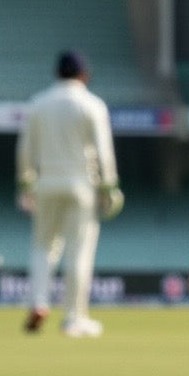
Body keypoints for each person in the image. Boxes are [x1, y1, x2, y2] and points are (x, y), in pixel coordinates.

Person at [16, 50, 123, 336]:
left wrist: (25, 183)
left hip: (46, 183)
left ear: (56, 73)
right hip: (81, 185)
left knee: (42, 246)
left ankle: (38, 302)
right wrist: (109, 186)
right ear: (84, 74)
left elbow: (25, 149)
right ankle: (74, 318)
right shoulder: (92, 105)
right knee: (79, 251)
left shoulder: (38, 103)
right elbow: (103, 151)